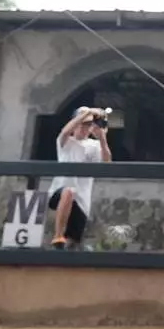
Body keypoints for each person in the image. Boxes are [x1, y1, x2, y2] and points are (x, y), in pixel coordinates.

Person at [48, 106, 111, 249]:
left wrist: (102, 137)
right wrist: (89, 112)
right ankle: (58, 234)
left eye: (88, 124)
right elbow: (65, 131)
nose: (85, 127)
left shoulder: (94, 146)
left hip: (81, 200)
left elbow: (107, 162)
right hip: (60, 192)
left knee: (73, 243)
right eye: (82, 123)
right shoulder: (66, 142)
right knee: (68, 191)